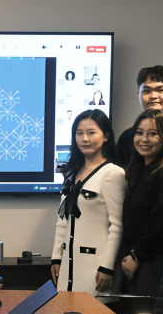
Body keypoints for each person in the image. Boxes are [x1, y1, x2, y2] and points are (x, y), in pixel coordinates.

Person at [51, 109, 124, 294]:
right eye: (79, 133)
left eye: (91, 132)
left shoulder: (113, 173)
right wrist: (56, 257)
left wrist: (107, 267)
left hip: (96, 268)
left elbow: (117, 225)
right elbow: (62, 220)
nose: (85, 139)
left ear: (106, 135)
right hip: (68, 266)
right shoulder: (71, 173)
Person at [116, 109, 163, 296]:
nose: (144, 139)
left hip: (155, 263)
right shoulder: (139, 172)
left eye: (152, 134)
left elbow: (160, 223)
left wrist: (136, 256)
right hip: (139, 259)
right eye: (139, 133)